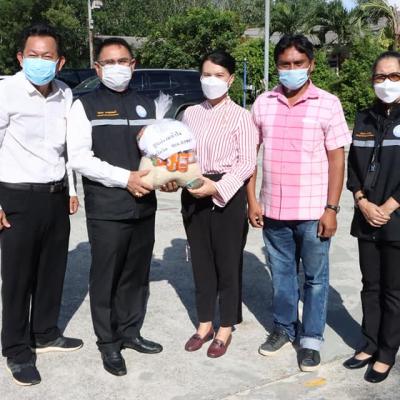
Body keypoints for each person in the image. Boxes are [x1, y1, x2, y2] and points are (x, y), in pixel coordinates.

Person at [247, 34, 351, 372]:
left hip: (314, 213)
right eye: (285, 64)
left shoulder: (328, 103)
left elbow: (337, 159)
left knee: (315, 280)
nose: (291, 69)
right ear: (277, 66)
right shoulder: (263, 103)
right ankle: (283, 328)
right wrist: (252, 200)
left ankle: (311, 339)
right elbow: (251, 155)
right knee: (282, 276)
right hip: (274, 210)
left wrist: (331, 209)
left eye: (298, 63)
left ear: (311, 65)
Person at [67, 38, 162, 377]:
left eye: (123, 61)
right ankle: (108, 342)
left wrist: (165, 176)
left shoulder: (147, 104)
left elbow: (158, 152)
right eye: (109, 62)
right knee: (107, 275)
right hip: (108, 207)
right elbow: (80, 158)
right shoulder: (85, 106)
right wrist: (125, 179)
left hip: (144, 205)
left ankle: (130, 331)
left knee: (136, 273)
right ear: (97, 68)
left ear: (133, 65)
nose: (117, 67)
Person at [0, 23, 82, 386]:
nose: (39, 61)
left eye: (47, 56)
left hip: (55, 194)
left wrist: (72, 189)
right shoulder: (6, 92)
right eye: (32, 55)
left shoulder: (65, 94)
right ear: (20, 58)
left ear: (60, 62)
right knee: (18, 278)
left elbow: (67, 148)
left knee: (52, 269)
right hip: (16, 196)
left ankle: (45, 332)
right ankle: (17, 350)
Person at [181, 50, 258, 358]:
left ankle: (225, 326)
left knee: (227, 263)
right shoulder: (190, 113)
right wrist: (177, 177)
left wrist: (217, 187)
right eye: (206, 75)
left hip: (227, 192)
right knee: (200, 261)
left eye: (218, 75)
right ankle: (204, 324)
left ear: (231, 79)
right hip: (193, 188)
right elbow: (182, 154)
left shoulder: (242, 116)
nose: (211, 80)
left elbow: (247, 162)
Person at [344, 51, 400, 383]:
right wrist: (361, 201)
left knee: (393, 290)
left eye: (394, 76)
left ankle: (387, 351)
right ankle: (369, 343)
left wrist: (389, 207)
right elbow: (354, 168)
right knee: (370, 285)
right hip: (366, 215)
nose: (387, 82)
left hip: (395, 219)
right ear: (372, 81)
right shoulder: (364, 118)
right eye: (380, 77)